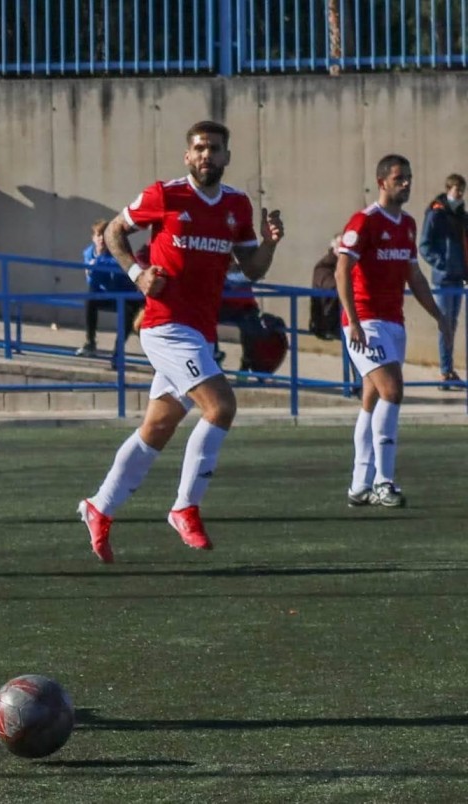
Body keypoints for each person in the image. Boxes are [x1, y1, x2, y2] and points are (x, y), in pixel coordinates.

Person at [78, 121, 284, 563]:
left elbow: (252, 269)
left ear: (228, 156)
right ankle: (185, 507)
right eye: (199, 148)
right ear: (187, 156)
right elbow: (115, 231)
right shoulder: (165, 194)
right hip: (165, 325)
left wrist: (269, 243)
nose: (206, 155)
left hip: (199, 332)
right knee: (221, 406)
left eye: (214, 148)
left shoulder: (235, 205)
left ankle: (99, 506)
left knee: (158, 427)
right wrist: (137, 274)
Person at [337, 154, 451, 509]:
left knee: (371, 400)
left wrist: (438, 315)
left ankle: (358, 485)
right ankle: (384, 482)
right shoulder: (365, 221)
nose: (407, 184)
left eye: (410, 178)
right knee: (393, 390)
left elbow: (413, 275)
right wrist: (353, 320)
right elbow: (342, 271)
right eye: (400, 178)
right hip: (365, 322)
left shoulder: (408, 224)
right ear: (382, 181)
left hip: (393, 324)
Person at [418, 173, 467, 389]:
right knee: (444, 323)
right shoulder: (436, 214)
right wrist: (442, 263)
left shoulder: (462, 216)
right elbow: (425, 245)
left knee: (453, 325)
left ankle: (449, 370)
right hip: (444, 279)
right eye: (456, 190)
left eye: (462, 191)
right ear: (448, 189)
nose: (459, 194)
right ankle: (445, 371)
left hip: (459, 279)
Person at [77, 219, 140, 362]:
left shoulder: (116, 251)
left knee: (129, 313)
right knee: (90, 298)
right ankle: (90, 343)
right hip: (107, 294)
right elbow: (91, 280)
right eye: (98, 235)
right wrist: (93, 270)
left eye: (104, 236)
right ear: (93, 238)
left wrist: (98, 264)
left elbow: (121, 265)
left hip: (125, 294)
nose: (101, 239)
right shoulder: (88, 254)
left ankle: (118, 353)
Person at [309, 235, 342, 341]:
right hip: (327, 322)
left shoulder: (348, 265)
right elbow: (332, 286)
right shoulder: (324, 267)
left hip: (338, 319)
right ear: (334, 248)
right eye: (341, 246)